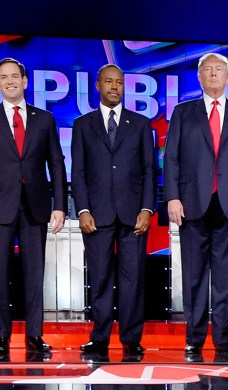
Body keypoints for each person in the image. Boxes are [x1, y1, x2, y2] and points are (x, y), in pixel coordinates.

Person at [0, 57, 68, 360]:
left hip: (35, 206)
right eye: (4, 77)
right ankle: (1, 336)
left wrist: (60, 205)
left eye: (15, 76)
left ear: (25, 81)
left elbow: (57, 165)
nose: (10, 81)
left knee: (35, 274)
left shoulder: (44, 119)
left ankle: (35, 335)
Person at [163, 52, 228, 363]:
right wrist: (172, 197)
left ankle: (223, 341)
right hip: (192, 203)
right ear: (200, 76)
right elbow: (172, 159)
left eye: (220, 70)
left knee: (226, 277)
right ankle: (193, 340)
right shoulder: (183, 112)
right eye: (208, 70)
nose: (214, 74)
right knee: (193, 275)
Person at [71, 64, 156, 362]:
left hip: (134, 215)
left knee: (133, 281)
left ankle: (132, 340)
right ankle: (100, 338)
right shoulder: (83, 125)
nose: (114, 87)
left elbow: (149, 171)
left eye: (119, 82)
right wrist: (82, 209)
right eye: (108, 81)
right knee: (100, 279)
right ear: (98, 85)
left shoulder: (141, 124)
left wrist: (147, 208)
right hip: (96, 215)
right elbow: (78, 172)